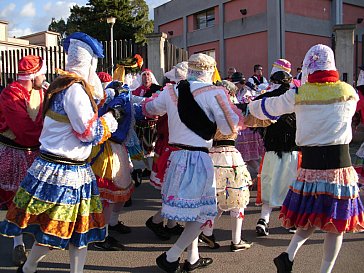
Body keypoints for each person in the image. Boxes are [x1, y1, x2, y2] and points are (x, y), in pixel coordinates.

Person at [0, 32, 120, 273]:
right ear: (89, 63)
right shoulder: (75, 90)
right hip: (65, 170)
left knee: (76, 231)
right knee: (55, 229)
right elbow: (88, 133)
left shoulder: (59, 84)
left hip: (64, 167)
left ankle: (31, 268)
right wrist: (111, 120)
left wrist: (108, 97)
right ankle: (29, 267)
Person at [248, 44, 364, 273]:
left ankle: (288, 256)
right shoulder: (348, 92)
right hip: (338, 166)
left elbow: (268, 107)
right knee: (335, 225)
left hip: (310, 166)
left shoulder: (300, 92)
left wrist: (250, 106)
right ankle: (324, 271)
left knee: (309, 218)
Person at [143, 53, 239, 272]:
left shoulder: (172, 90)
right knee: (203, 212)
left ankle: (192, 258)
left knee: (190, 211)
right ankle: (171, 256)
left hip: (175, 158)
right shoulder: (215, 92)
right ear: (209, 70)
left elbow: (150, 109)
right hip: (198, 158)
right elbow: (229, 127)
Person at [0, 55, 47, 266]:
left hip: (35, 152)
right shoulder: (11, 94)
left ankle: (33, 235)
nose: (45, 76)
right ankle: (17, 243)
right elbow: (23, 130)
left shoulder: (42, 91)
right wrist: (51, 135)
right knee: (15, 199)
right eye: (42, 73)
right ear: (34, 74)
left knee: (35, 199)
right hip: (15, 152)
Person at [199, 80, 253, 251]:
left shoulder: (208, 112)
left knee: (216, 196)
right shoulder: (230, 112)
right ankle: (236, 241)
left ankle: (207, 233)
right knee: (237, 198)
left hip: (212, 156)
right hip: (229, 157)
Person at [250, 59, 300, 237]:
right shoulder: (297, 96)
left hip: (272, 149)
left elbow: (251, 112)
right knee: (292, 185)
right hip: (294, 149)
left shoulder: (266, 97)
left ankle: (263, 219)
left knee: (270, 183)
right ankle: (292, 221)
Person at [90, 76, 135, 251]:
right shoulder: (112, 101)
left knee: (121, 189)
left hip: (117, 147)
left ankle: (112, 223)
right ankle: (101, 235)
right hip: (107, 148)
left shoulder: (120, 98)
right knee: (107, 193)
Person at [146, 62, 188, 241]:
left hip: (172, 145)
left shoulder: (170, 93)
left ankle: (170, 223)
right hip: (172, 147)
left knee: (174, 189)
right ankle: (156, 220)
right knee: (175, 189)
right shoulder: (170, 93)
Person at [133, 68, 163, 179]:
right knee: (141, 147)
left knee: (152, 146)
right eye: (144, 75)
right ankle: (145, 168)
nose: (146, 77)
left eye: (148, 75)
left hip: (152, 124)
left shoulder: (158, 89)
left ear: (151, 77)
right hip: (140, 123)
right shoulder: (136, 90)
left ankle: (152, 168)